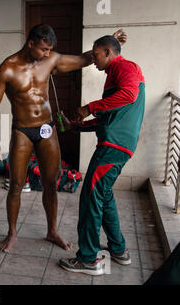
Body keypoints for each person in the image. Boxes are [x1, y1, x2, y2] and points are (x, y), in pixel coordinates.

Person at [0, 24, 127, 252]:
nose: (47, 54)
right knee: (16, 185)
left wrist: (112, 41)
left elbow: (83, 60)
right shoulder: (7, 69)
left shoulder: (50, 61)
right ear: (30, 43)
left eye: (50, 50)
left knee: (51, 184)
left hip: (47, 129)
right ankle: (12, 233)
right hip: (22, 130)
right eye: (43, 49)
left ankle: (52, 231)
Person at [58, 34, 145, 275]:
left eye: (95, 55)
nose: (93, 60)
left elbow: (130, 94)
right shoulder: (114, 76)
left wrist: (89, 107)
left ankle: (88, 258)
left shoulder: (125, 67)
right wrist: (75, 125)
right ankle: (118, 249)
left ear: (108, 52)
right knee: (103, 195)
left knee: (90, 197)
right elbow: (107, 119)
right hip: (116, 144)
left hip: (114, 146)